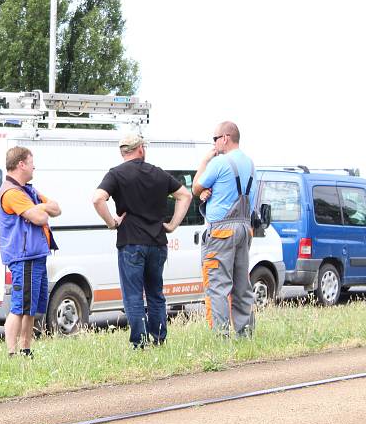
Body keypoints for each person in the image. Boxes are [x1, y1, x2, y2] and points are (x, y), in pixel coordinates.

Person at [92, 134, 192, 348]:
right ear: (141, 149)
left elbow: (97, 198)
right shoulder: (158, 173)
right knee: (156, 293)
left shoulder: (116, 174)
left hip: (130, 242)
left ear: (123, 152)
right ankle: (158, 339)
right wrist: (172, 225)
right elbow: (185, 195)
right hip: (157, 242)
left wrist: (112, 222)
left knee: (133, 295)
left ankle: (139, 342)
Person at [192, 121, 256, 337]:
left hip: (220, 231)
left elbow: (196, 186)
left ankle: (220, 337)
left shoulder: (219, 163)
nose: (214, 143)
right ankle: (245, 335)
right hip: (244, 228)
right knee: (241, 285)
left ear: (226, 137)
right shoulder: (250, 164)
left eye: (215, 138)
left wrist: (205, 160)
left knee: (217, 286)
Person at [0, 146, 61, 357]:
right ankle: (11, 353)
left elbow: (56, 208)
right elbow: (40, 218)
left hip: (36, 255)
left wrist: (38, 207)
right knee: (19, 307)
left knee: (31, 308)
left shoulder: (29, 191)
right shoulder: (11, 192)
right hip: (23, 257)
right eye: (32, 162)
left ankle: (26, 349)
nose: (35, 166)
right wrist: (39, 210)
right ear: (21, 164)